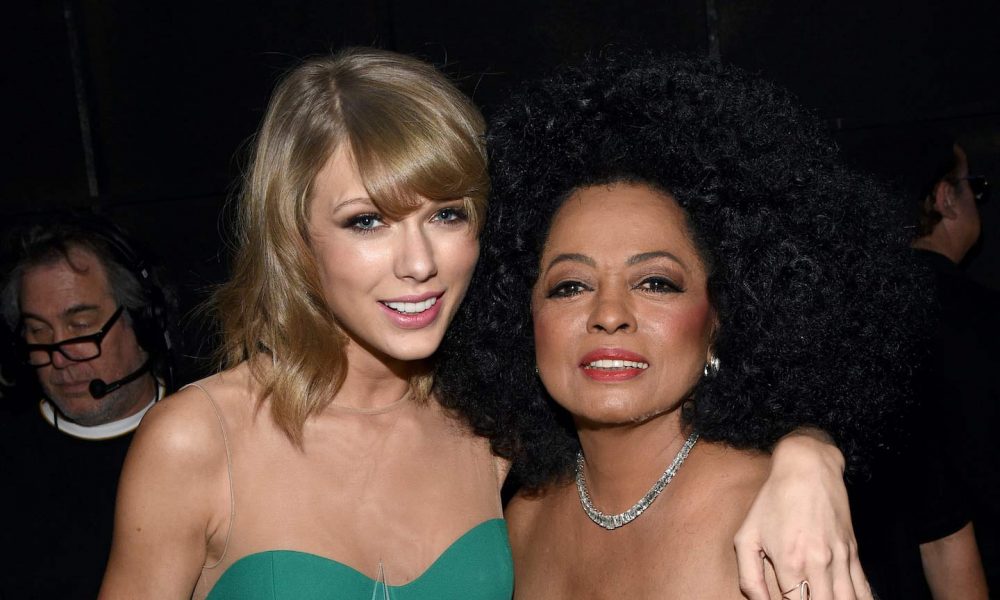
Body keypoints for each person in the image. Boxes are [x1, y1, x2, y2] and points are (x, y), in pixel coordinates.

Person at [102, 48, 870, 599]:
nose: (418, 262)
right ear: (296, 240)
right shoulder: (199, 440)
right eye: (367, 220)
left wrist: (809, 452)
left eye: (446, 214)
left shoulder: (493, 435)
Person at [439, 53, 928, 598]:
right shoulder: (519, 524)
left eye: (656, 283)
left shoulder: (772, 522)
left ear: (723, 317)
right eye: (569, 286)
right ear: (517, 317)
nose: (608, 314)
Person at [0, 213, 177, 599]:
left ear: (142, 320)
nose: (59, 355)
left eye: (80, 326)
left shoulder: (216, 437)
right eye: (38, 331)